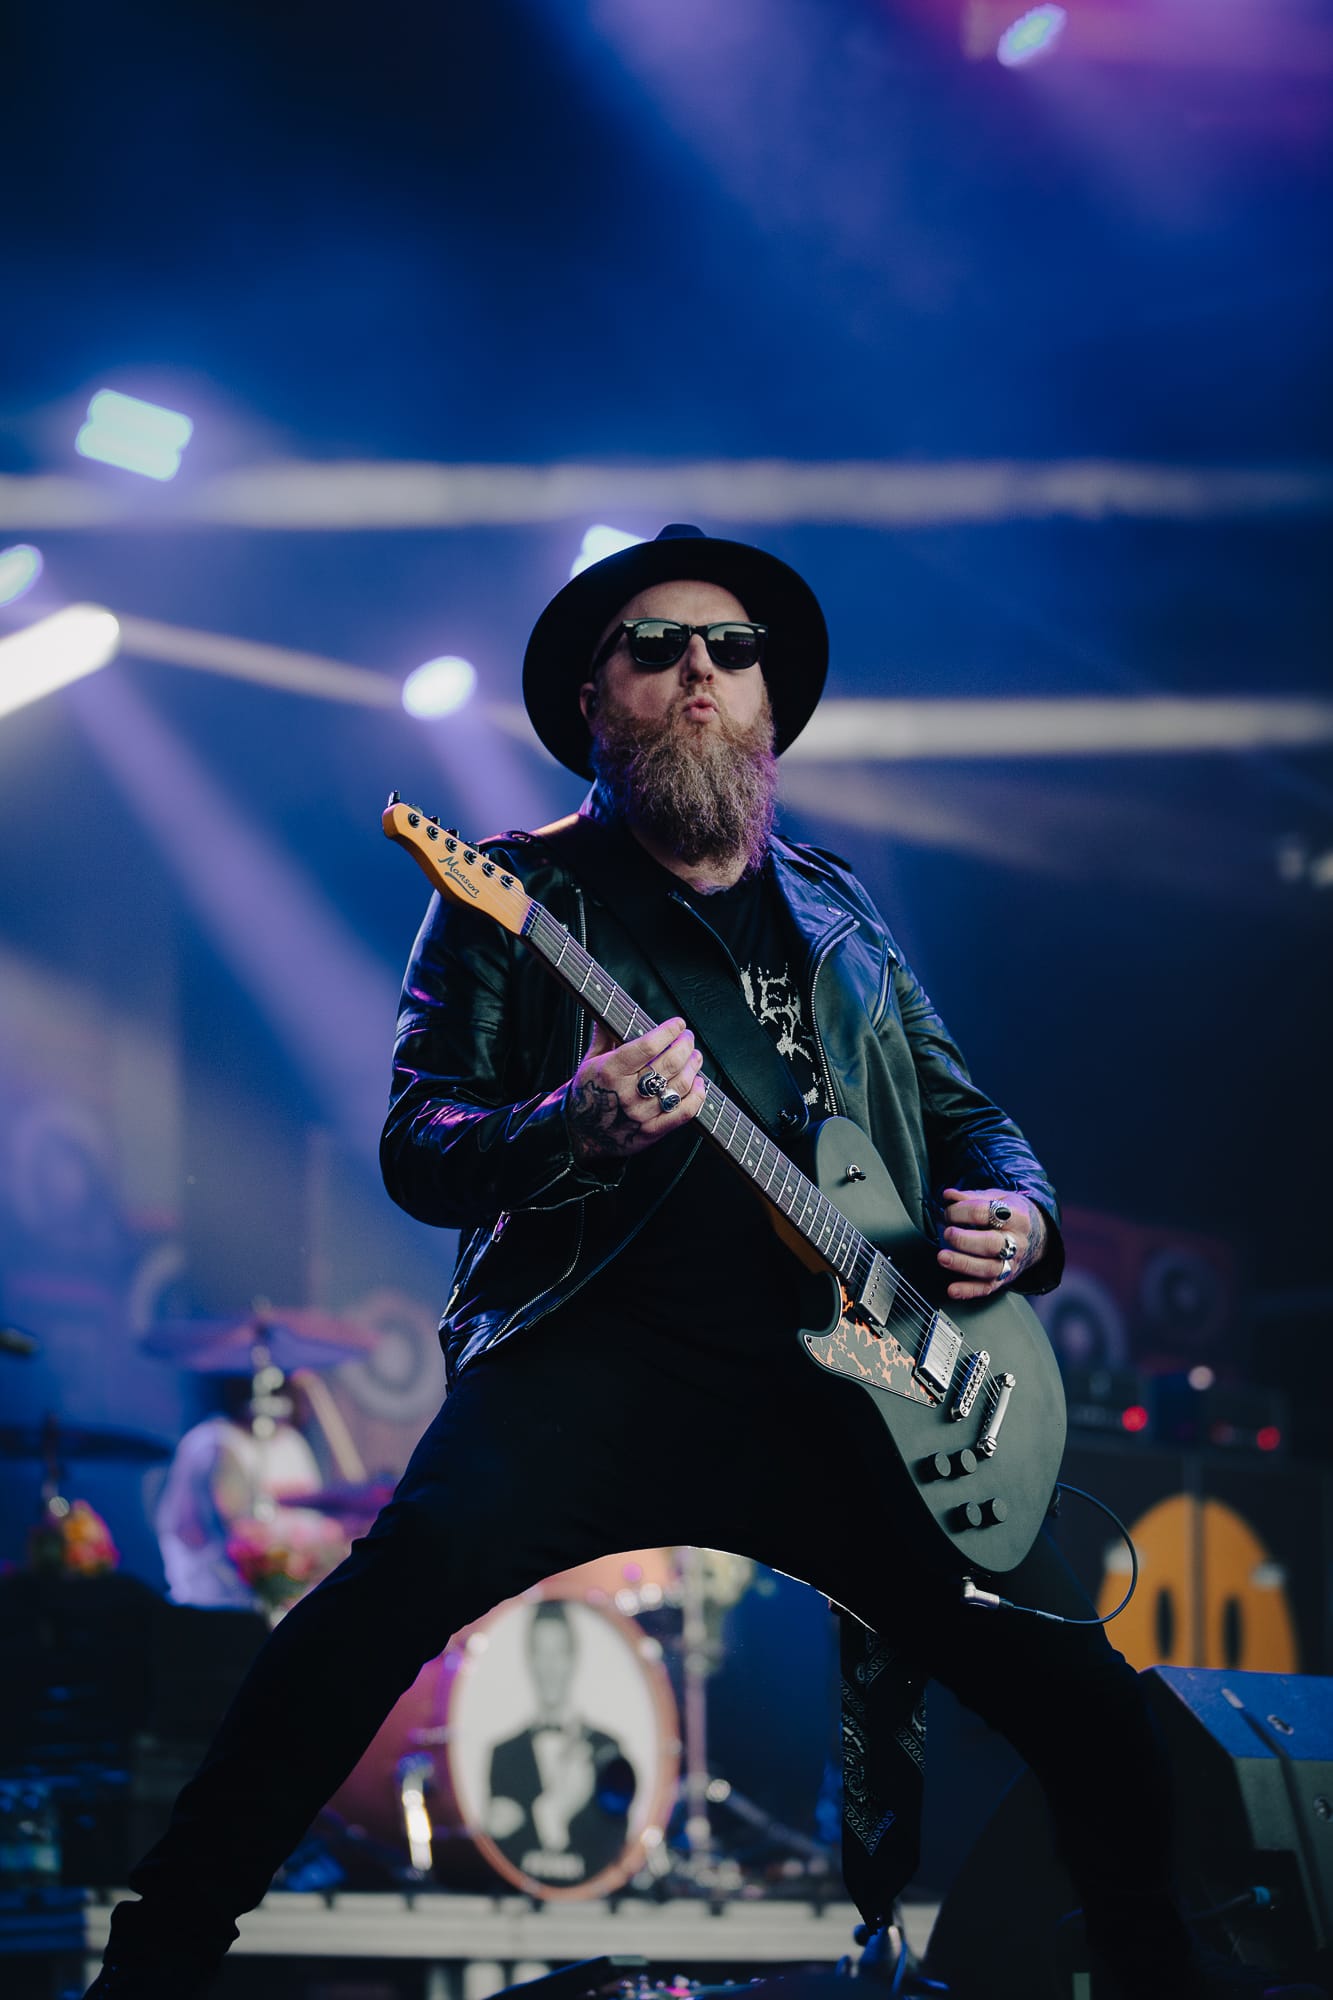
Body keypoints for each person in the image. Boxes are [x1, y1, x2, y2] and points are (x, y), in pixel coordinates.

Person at [86, 526, 1305, 2000]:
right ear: (592, 700)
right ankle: (153, 1963)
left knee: (1086, 1700)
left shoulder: (840, 911)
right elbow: (420, 1142)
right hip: (595, 1356)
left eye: (730, 650)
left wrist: (1026, 1218)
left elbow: (971, 1119)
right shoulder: (515, 892)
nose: (698, 673)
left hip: (849, 1387)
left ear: (769, 704)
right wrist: (570, 1121)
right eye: (654, 647)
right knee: (367, 1622)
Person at [484, 1600, 634, 1887]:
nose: (549, 1667)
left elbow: (611, 1844)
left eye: (559, 1652)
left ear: (573, 1658)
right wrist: (549, 1814)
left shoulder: (606, 1749)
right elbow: (500, 1852)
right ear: (529, 1660)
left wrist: (546, 1818)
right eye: (540, 1653)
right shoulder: (503, 1754)